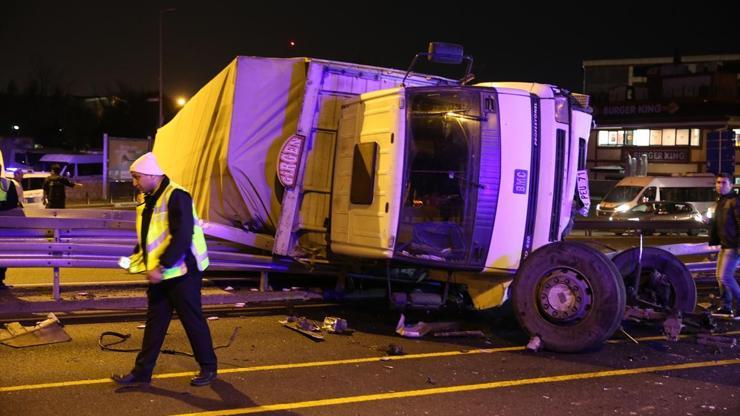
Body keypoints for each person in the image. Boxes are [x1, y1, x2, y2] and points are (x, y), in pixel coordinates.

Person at [112, 152, 217, 387]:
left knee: (192, 320)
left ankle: (209, 367)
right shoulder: (148, 199)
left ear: (152, 175)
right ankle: (141, 373)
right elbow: (149, 236)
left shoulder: (177, 195)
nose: (134, 182)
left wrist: (162, 266)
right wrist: (134, 260)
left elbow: (182, 234)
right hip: (163, 272)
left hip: (183, 271)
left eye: (137, 177)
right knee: (155, 323)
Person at [708, 173, 740, 319]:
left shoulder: (735, 201)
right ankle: (726, 307)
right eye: (718, 182)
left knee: (725, 277)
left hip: (733, 246)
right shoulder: (722, 201)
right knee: (720, 277)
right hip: (725, 245)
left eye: (724, 183)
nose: (720, 185)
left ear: (731, 185)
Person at [0, 163, 23, 290]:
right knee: (2, 254)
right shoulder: (7, 184)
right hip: (4, 226)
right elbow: (13, 203)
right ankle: (0, 281)